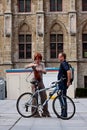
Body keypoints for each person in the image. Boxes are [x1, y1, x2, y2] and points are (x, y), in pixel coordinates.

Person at [25, 52, 50, 117]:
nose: (38, 60)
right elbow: (25, 67)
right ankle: (35, 113)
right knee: (34, 98)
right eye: (37, 59)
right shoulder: (33, 64)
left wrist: (40, 70)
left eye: (39, 59)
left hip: (40, 82)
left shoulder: (42, 65)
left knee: (44, 96)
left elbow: (45, 72)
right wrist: (31, 65)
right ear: (35, 59)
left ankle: (45, 112)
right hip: (34, 82)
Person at [57, 52, 71, 117]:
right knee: (61, 97)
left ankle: (64, 114)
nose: (58, 58)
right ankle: (63, 113)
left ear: (62, 57)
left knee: (63, 98)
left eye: (59, 57)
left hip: (63, 84)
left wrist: (68, 81)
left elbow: (68, 72)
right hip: (61, 83)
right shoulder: (63, 63)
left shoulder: (64, 63)